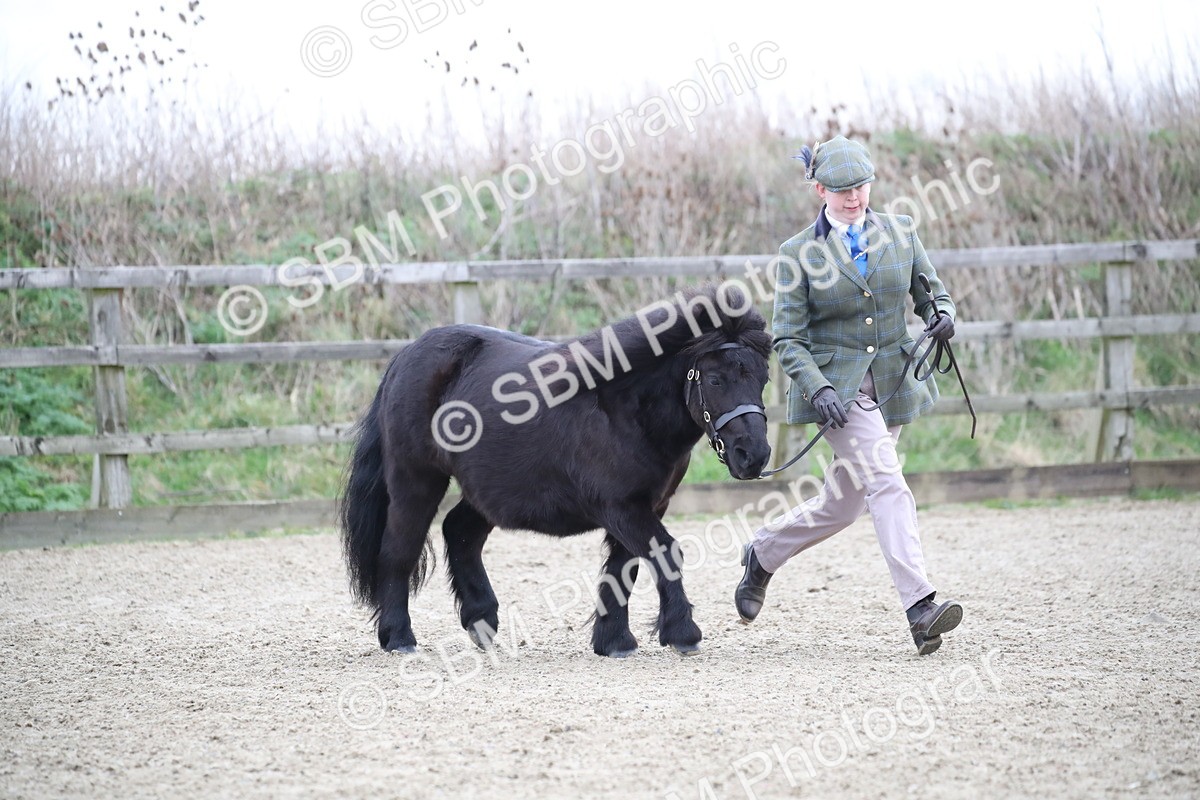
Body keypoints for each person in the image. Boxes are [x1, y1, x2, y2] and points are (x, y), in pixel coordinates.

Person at [735, 135, 962, 655]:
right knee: (887, 481)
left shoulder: (902, 232)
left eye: (860, 187)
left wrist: (941, 316)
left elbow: (931, 290)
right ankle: (920, 606)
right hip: (839, 395)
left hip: (893, 385)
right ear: (819, 189)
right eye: (841, 191)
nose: (854, 198)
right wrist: (817, 389)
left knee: (841, 506)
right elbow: (788, 338)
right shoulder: (798, 254)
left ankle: (763, 554)